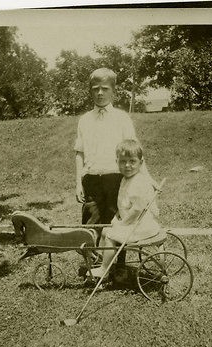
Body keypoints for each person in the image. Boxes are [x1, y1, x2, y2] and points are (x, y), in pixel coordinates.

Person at [74, 67, 155, 227]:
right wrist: (78, 183)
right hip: (91, 180)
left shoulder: (122, 118)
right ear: (90, 91)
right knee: (91, 224)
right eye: (95, 89)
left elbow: (135, 152)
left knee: (116, 223)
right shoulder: (85, 120)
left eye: (105, 89)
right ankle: (93, 252)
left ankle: (114, 253)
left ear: (113, 91)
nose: (100, 93)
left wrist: (147, 178)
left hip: (116, 179)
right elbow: (79, 153)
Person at [89, 139, 160, 278]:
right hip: (134, 223)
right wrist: (117, 217)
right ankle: (104, 260)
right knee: (105, 230)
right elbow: (123, 203)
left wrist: (122, 224)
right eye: (123, 161)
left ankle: (104, 269)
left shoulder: (139, 182)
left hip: (140, 226)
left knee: (110, 235)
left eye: (132, 161)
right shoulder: (126, 178)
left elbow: (137, 209)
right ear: (117, 162)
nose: (127, 165)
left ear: (141, 162)